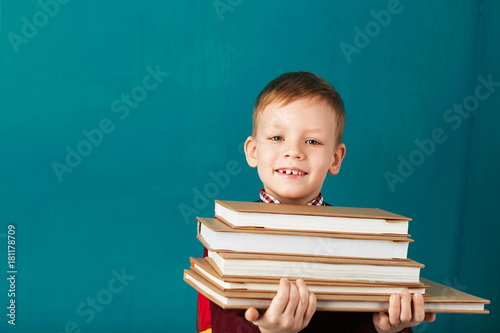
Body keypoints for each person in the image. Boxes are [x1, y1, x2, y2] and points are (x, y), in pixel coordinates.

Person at [197, 71, 436, 333]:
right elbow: (220, 326)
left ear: (335, 158)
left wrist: (384, 328)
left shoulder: (364, 242)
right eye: (277, 138)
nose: (294, 152)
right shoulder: (226, 238)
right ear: (253, 151)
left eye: (312, 141)